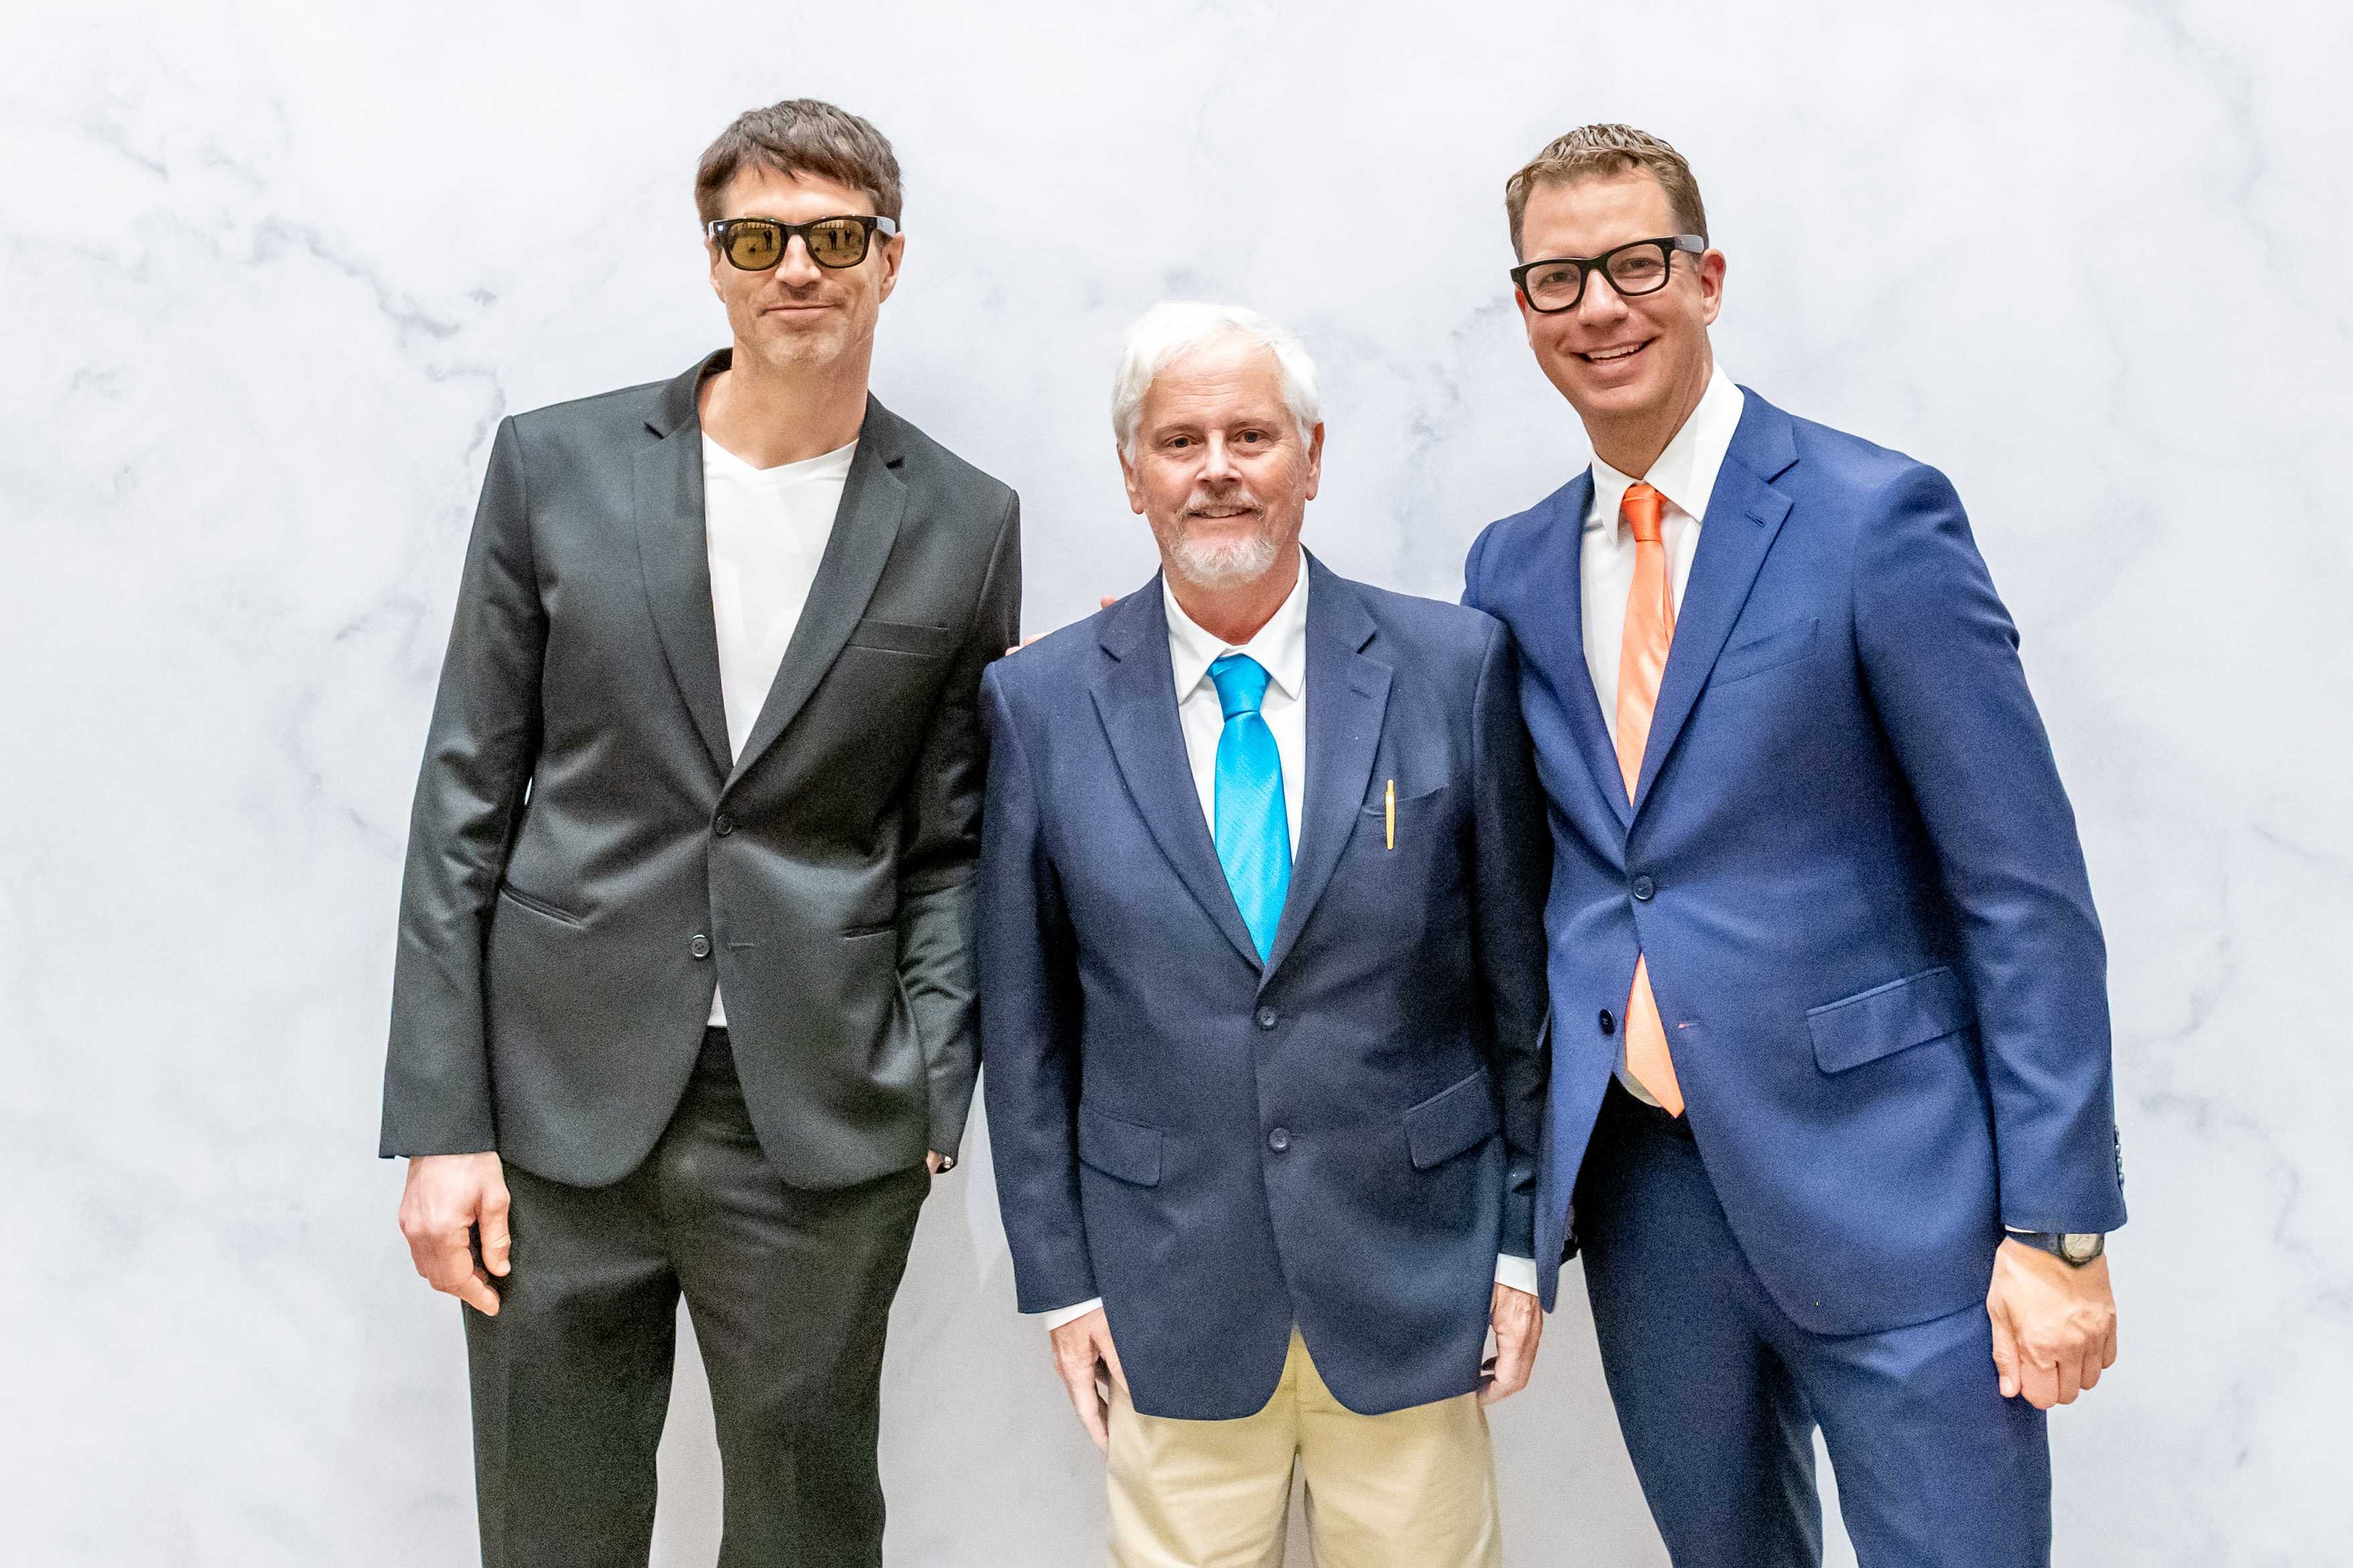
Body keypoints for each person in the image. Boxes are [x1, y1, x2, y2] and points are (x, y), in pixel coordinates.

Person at [1463, 124, 2126, 1567]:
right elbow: (1522, 874)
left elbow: (2021, 890)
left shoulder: (1872, 517)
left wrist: (2060, 1229)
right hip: (1647, 1205)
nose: (1600, 307)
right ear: (1523, 309)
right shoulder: (1506, 570)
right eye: (1558, 278)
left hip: (1900, 1194)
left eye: (1637, 265)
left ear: (1707, 279)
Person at [379, 98, 1019, 1567]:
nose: (797, 268)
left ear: (890, 259)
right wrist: (445, 1124)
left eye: (835, 238)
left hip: (817, 1117)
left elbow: (951, 840)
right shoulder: (554, 466)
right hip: (553, 1105)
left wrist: (931, 1091)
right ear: (714, 260)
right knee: (553, 1529)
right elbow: (464, 800)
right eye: (758, 238)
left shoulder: (966, 519)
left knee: (807, 1531)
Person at [978, 302, 1550, 1568]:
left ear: (1311, 456)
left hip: (1416, 1278)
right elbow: (1023, 1032)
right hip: (1164, 1289)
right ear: (1132, 474)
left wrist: (1521, 1243)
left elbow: (1519, 993)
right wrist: (1062, 1281)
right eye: (1179, 441)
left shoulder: (1454, 668)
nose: (1217, 469)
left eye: (1251, 435)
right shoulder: (1038, 702)